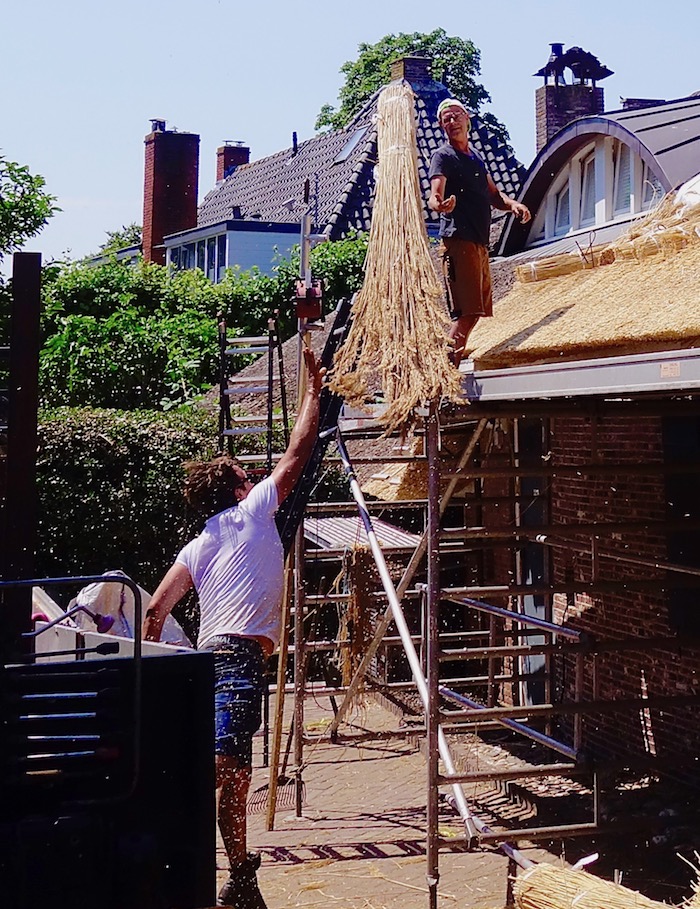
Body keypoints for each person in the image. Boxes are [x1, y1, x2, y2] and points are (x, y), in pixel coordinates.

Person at [143, 346, 325, 909]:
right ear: (240, 489)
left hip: (208, 660)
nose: (257, 479)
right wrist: (314, 394)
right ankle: (198, 857)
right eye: (249, 476)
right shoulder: (252, 511)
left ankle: (239, 872)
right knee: (225, 766)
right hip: (236, 660)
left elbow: (155, 612)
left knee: (233, 770)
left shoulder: (197, 545)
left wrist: (151, 669)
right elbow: (297, 455)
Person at [428, 98, 531, 366]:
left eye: (456, 116)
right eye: (447, 119)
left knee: (474, 312)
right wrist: (440, 204)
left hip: (478, 241)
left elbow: (494, 196)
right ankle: (444, 368)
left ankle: (446, 364)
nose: (453, 122)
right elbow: (434, 195)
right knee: (468, 312)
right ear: (441, 125)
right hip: (459, 240)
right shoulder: (443, 156)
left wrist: (513, 204)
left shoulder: (476, 159)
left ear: (467, 118)